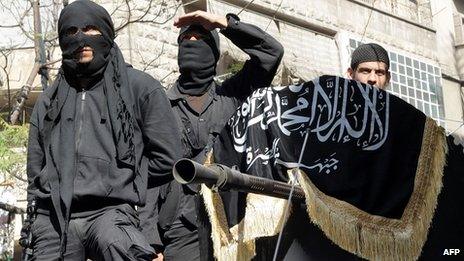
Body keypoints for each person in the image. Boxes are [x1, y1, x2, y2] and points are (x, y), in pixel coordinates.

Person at [24, 0, 182, 260]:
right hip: (53, 216)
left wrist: (122, 177)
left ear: (106, 33)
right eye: (71, 32)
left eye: (90, 29)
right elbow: (35, 167)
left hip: (111, 212)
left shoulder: (140, 88)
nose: (82, 38)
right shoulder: (49, 100)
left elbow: (169, 158)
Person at [138, 10, 284, 260]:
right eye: (186, 39)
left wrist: (225, 24)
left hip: (233, 222)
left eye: (201, 38)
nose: (192, 43)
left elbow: (271, 53)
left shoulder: (235, 94)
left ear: (214, 51)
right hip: (180, 227)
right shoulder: (159, 105)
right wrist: (149, 241)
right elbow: (149, 176)